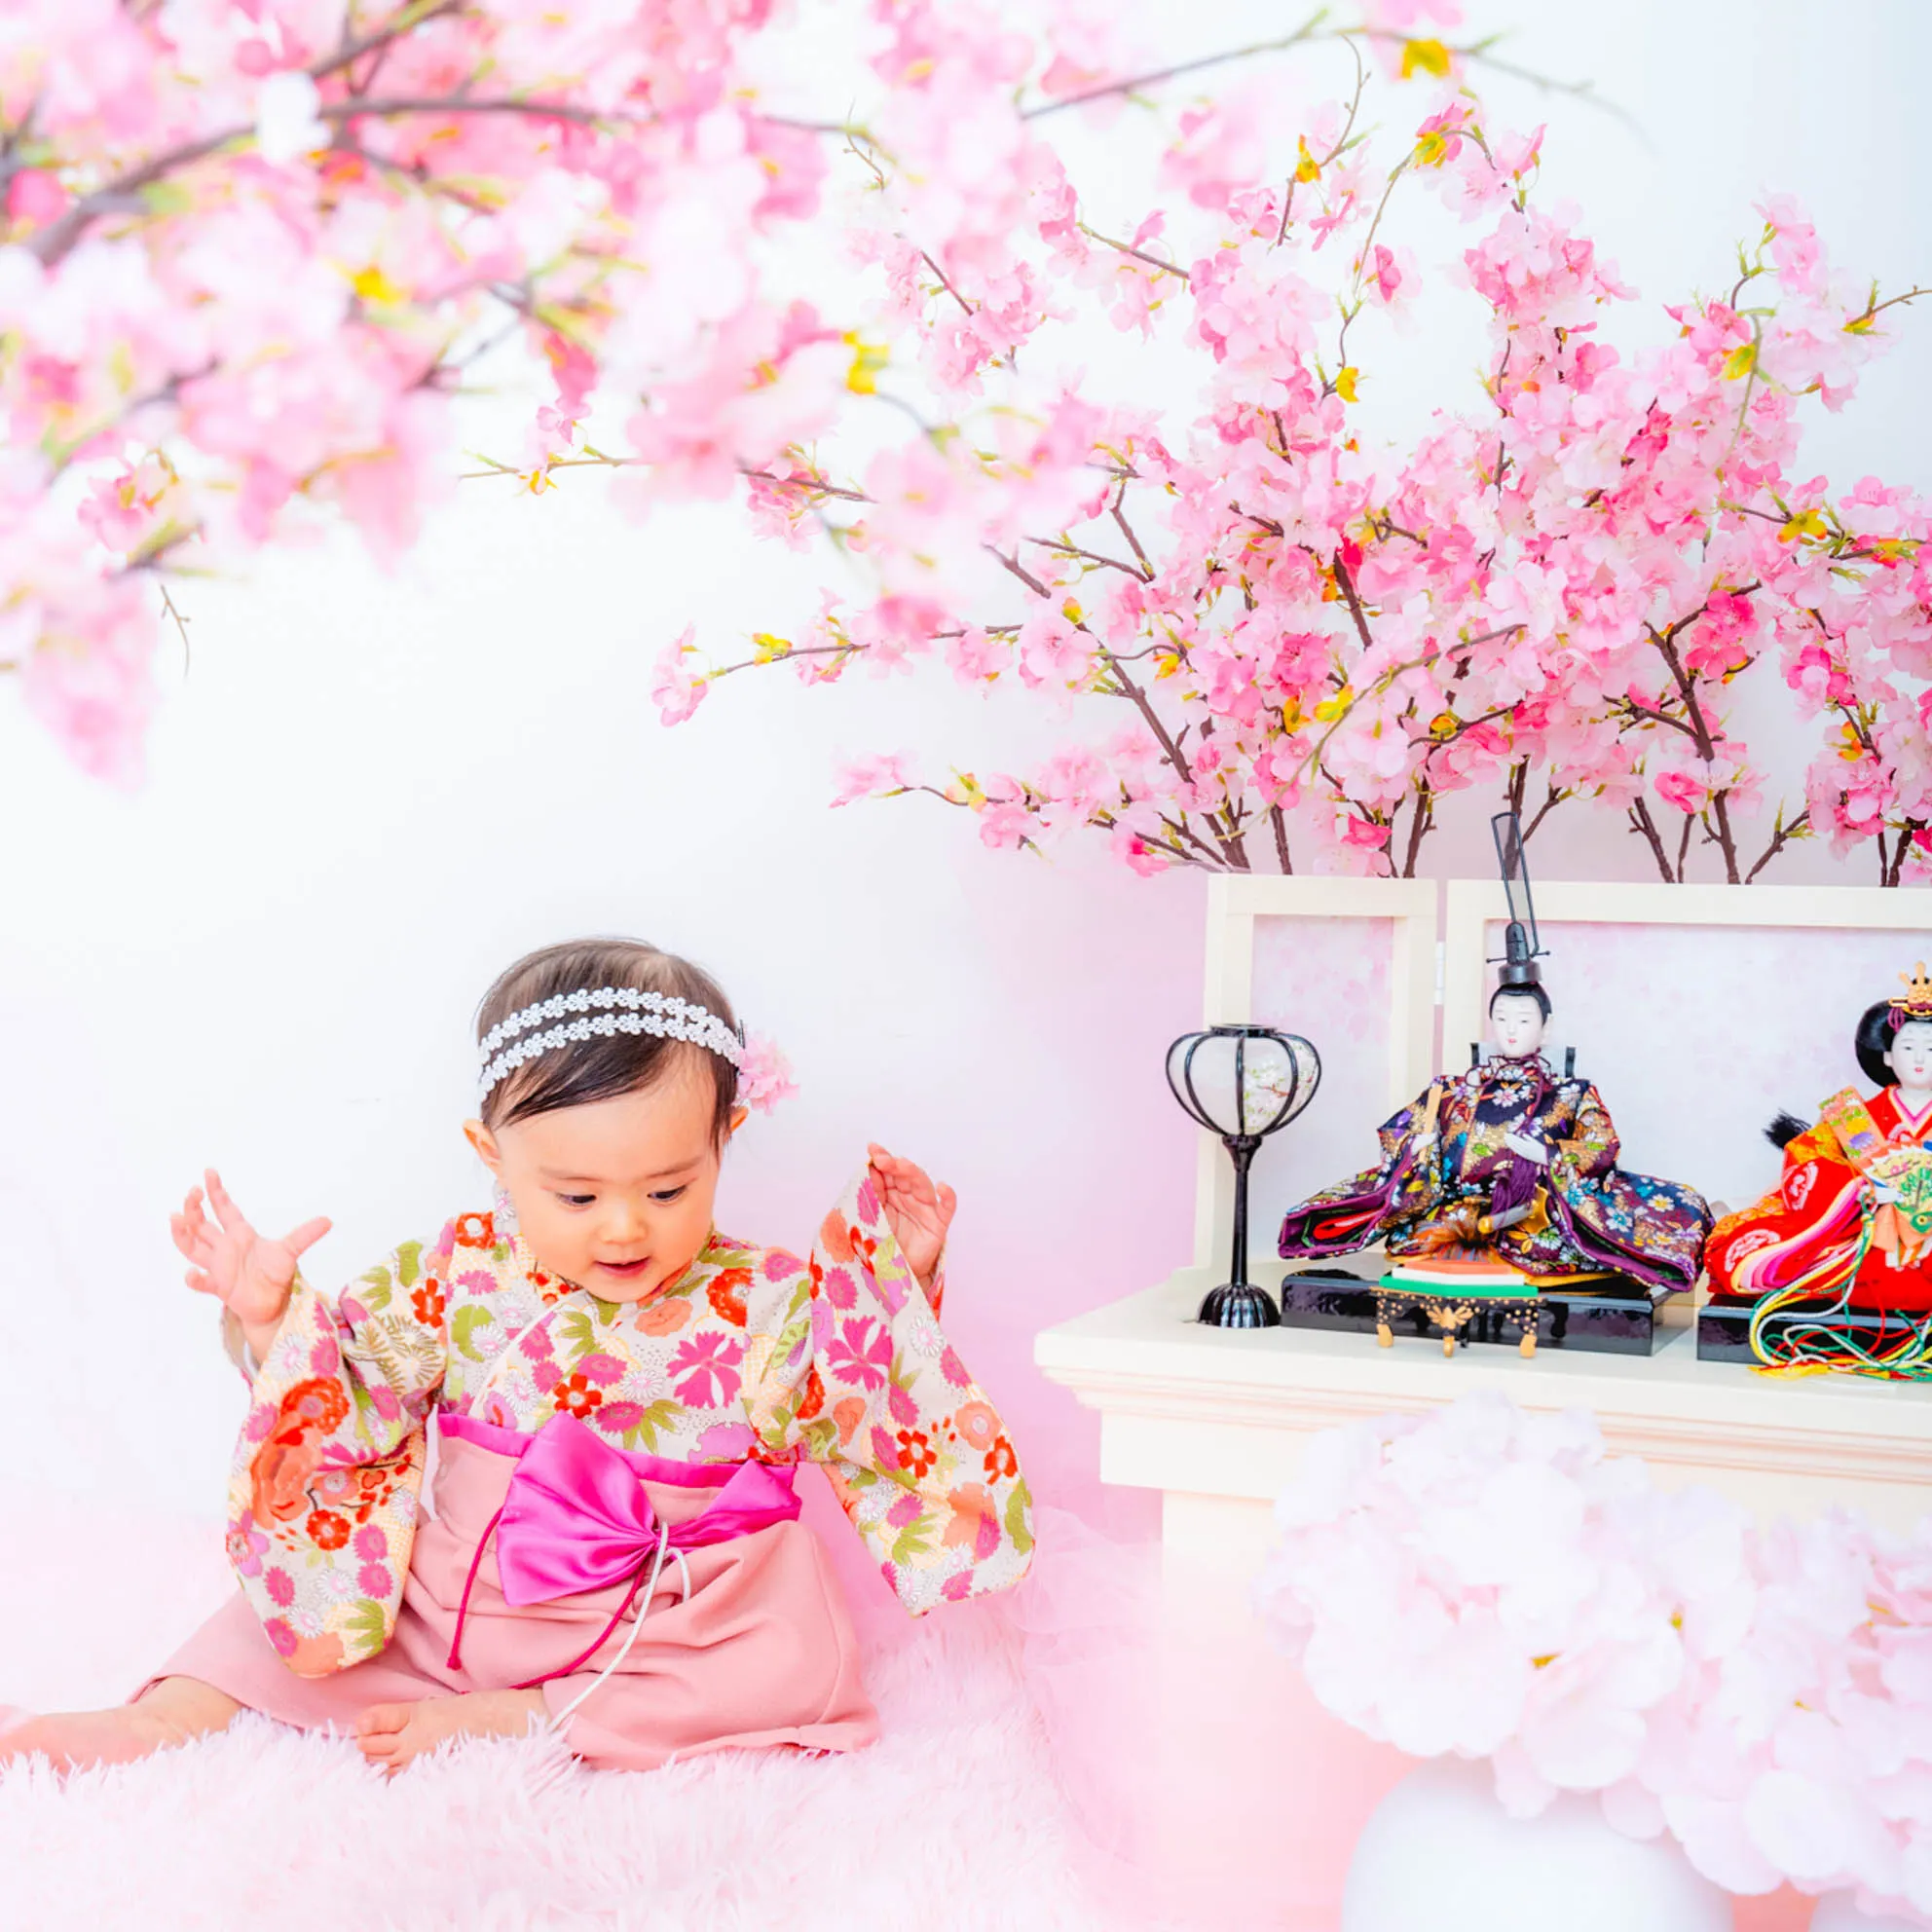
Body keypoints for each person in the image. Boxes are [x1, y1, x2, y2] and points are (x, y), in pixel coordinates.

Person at [2, 938, 1031, 1774]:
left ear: (726, 1134)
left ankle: (531, 1713)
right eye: (576, 1195)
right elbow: (349, 1391)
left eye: (668, 1189)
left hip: (665, 1610)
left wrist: (895, 1281)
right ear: (492, 1153)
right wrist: (271, 1315)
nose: (624, 1227)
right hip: (460, 1596)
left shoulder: (765, 1296)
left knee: (786, 1657)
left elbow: (848, 1391)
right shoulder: (458, 1271)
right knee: (297, 1613)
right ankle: (159, 1718)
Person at [1278, 977, 1711, 1290]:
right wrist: (1419, 1147)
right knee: (1426, 1236)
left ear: (1546, 1026)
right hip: (1456, 1213)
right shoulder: (1451, 1089)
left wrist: (1548, 1157)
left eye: (1523, 1019)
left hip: (1535, 1213)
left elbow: (1601, 1148)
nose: (1511, 1029)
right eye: (1501, 1018)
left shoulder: (1571, 1092)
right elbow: (1403, 1132)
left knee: (1650, 1214)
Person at [1706, 963, 1932, 1326]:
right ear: (1887, 1055)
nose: (1919, 1058)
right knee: (1753, 1251)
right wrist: (1861, 1191)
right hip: (1863, 1230)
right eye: (1908, 1047)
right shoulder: (1851, 1117)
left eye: (1930, 1048)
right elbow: (1807, 1164)